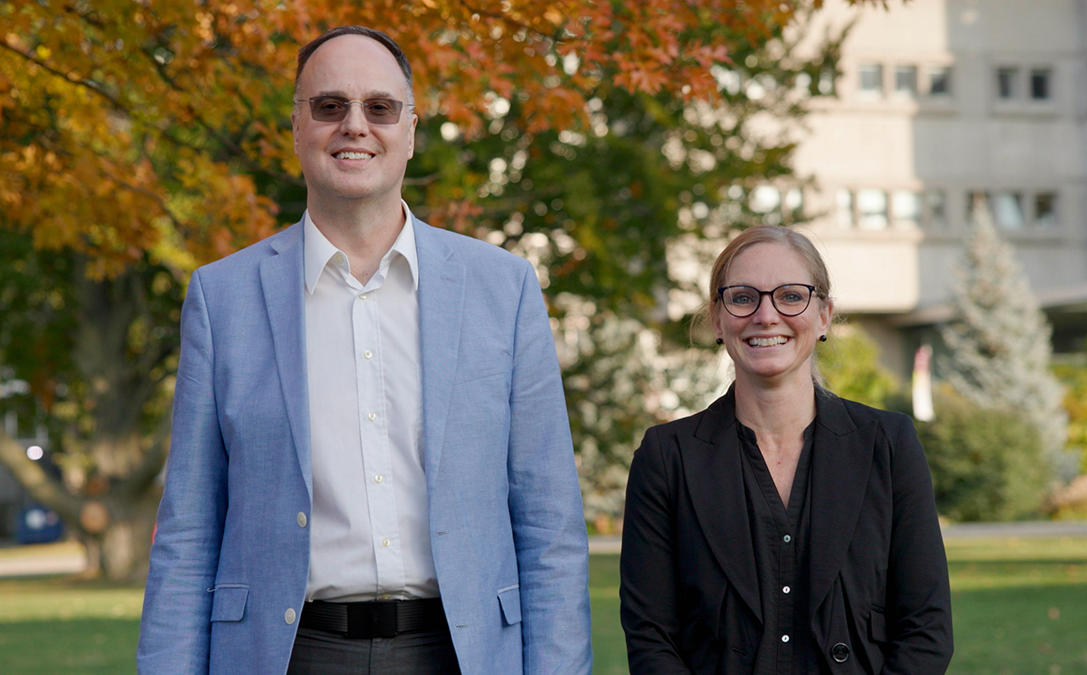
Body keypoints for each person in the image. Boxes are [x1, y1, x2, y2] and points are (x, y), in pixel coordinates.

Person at [138, 26, 591, 675]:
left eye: (380, 108)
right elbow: (188, 530)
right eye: (329, 107)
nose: (355, 125)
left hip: (462, 653)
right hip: (286, 653)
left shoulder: (504, 288)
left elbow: (550, 528)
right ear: (296, 127)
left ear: (410, 130)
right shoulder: (222, 297)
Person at [619, 225, 952, 674]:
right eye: (742, 297)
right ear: (718, 319)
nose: (766, 315)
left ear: (825, 315)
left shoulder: (888, 445)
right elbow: (650, 639)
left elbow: (926, 631)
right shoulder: (667, 458)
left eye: (791, 296)